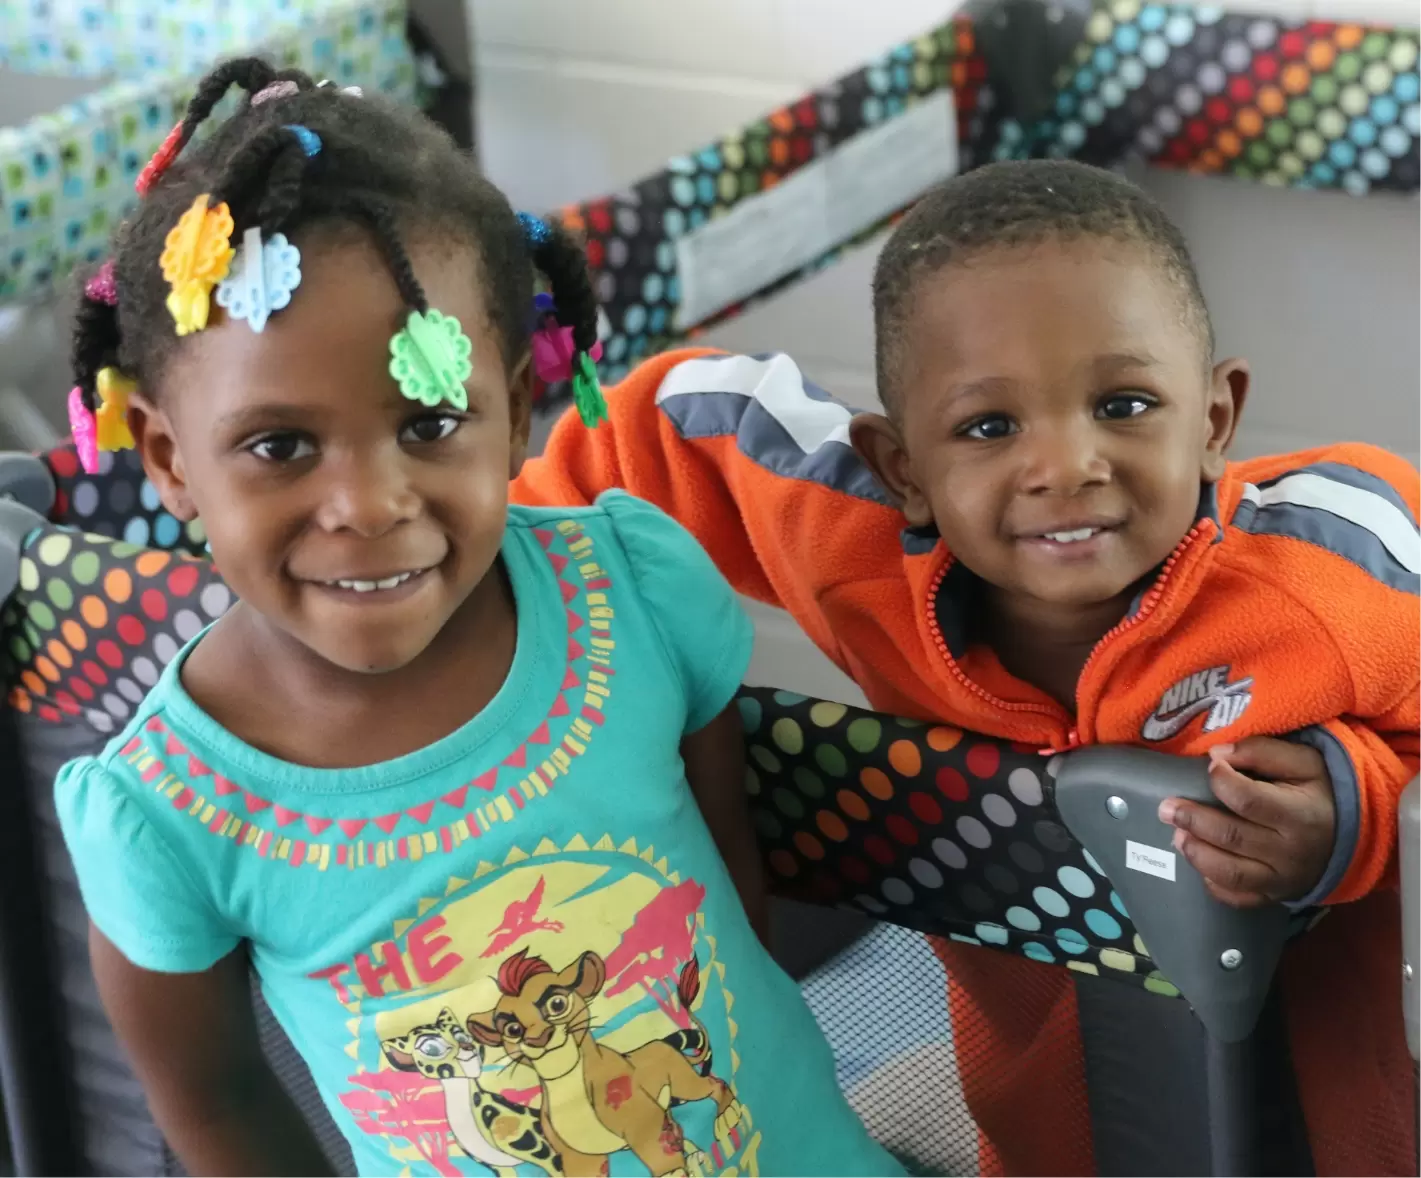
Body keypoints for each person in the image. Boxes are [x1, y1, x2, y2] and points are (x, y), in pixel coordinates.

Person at [54, 57, 899, 1178]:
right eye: (279, 445)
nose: (368, 505)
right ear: (169, 457)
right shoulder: (164, 815)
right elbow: (212, 1105)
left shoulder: (635, 596)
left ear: (516, 413)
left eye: (429, 422)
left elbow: (728, 890)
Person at [512, 160, 1421, 1175]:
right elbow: (663, 425)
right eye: (988, 427)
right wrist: (508, 590)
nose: (1064, 464)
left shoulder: (1324, 570)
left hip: (1318, 1115)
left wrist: (1353, 802)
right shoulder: (857, 544)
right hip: (1033, 1112)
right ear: (901, 469)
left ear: (1212, 421)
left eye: (1122, 404)